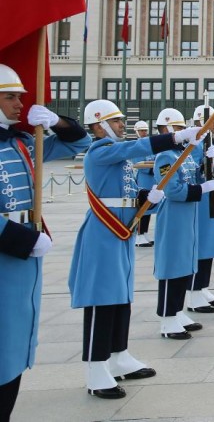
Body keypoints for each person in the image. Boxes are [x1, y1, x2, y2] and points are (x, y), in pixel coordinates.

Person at [70, 99, 199, 399]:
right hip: (103, 233)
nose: (121, 126)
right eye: (115, 122)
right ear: (99, 125)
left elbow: (124, 193)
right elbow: (132, 149)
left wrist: (146, 198)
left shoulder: (116, 157)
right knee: (102, 299)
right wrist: (175, 137)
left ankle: (118, 354)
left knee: (120, 297)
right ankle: (95, 368)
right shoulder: (101, 152)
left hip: (121, 232)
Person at [0, 64, 90, 418]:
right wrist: (19, 240)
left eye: (20, 97)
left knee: (15, 345)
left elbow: (79, 143)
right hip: (12, 248)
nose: (20, 104)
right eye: (10, 97)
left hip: (24, 256)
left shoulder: (24, 142)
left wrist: (58, 123)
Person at [151, 108, 214, 339]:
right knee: (172, 266)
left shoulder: (185, 154)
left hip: (188, 214)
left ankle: (177, 312)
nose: (184, 132)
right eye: (179, 129)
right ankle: (167, 319)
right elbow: (173, 190)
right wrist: (201, 189)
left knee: (185, 264)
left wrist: (208, 165)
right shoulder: (165, 157)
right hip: (174, 216)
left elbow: (192, 177)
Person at [186, 105, 214, 314]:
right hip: (200, 200)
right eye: (213, 120)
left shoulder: (210, 142)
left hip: (212, 197)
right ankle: (193, 294)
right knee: (200, 247)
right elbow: (188, 170)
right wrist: (204, 163)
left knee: (209, 247)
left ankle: (203, 287)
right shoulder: (193, 143)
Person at [131, 120, 155, 247]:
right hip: (143, 179)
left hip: (151, 180)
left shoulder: (148, 144)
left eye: (145, 130)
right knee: (142, 208)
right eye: (141, 131)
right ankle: (139, 236)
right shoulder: (136, 146)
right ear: (136, 131)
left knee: (149, 208)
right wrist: (152, 169)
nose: (144, 133)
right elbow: (138, 164)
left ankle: (144, 233)